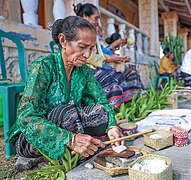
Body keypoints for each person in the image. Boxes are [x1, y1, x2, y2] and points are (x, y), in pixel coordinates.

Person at [6, 16, 124, 161]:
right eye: (82, 47)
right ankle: (74, 147)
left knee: (100, 112)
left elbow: (102, 102)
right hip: (33, 137)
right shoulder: (44, 66)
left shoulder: (84, 71)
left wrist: (112, 126)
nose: (87, 55)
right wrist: (69, 138)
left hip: (72, 124)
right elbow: (26, 117)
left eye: (91, 49)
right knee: (69, 113)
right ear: (63, 41)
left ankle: (78, 146)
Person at [73, 3, 143, 109]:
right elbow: (85, 56)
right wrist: (110, 58)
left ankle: (129, 107)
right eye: (96, 18)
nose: (98, 22)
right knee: (110, 78)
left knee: (126, 74)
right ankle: (110, 114)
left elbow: (100, 54)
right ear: (85, 16)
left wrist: (117, 58)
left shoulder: (92, 35)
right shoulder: (76, 33)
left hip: (97, 66)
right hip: (83, 69)